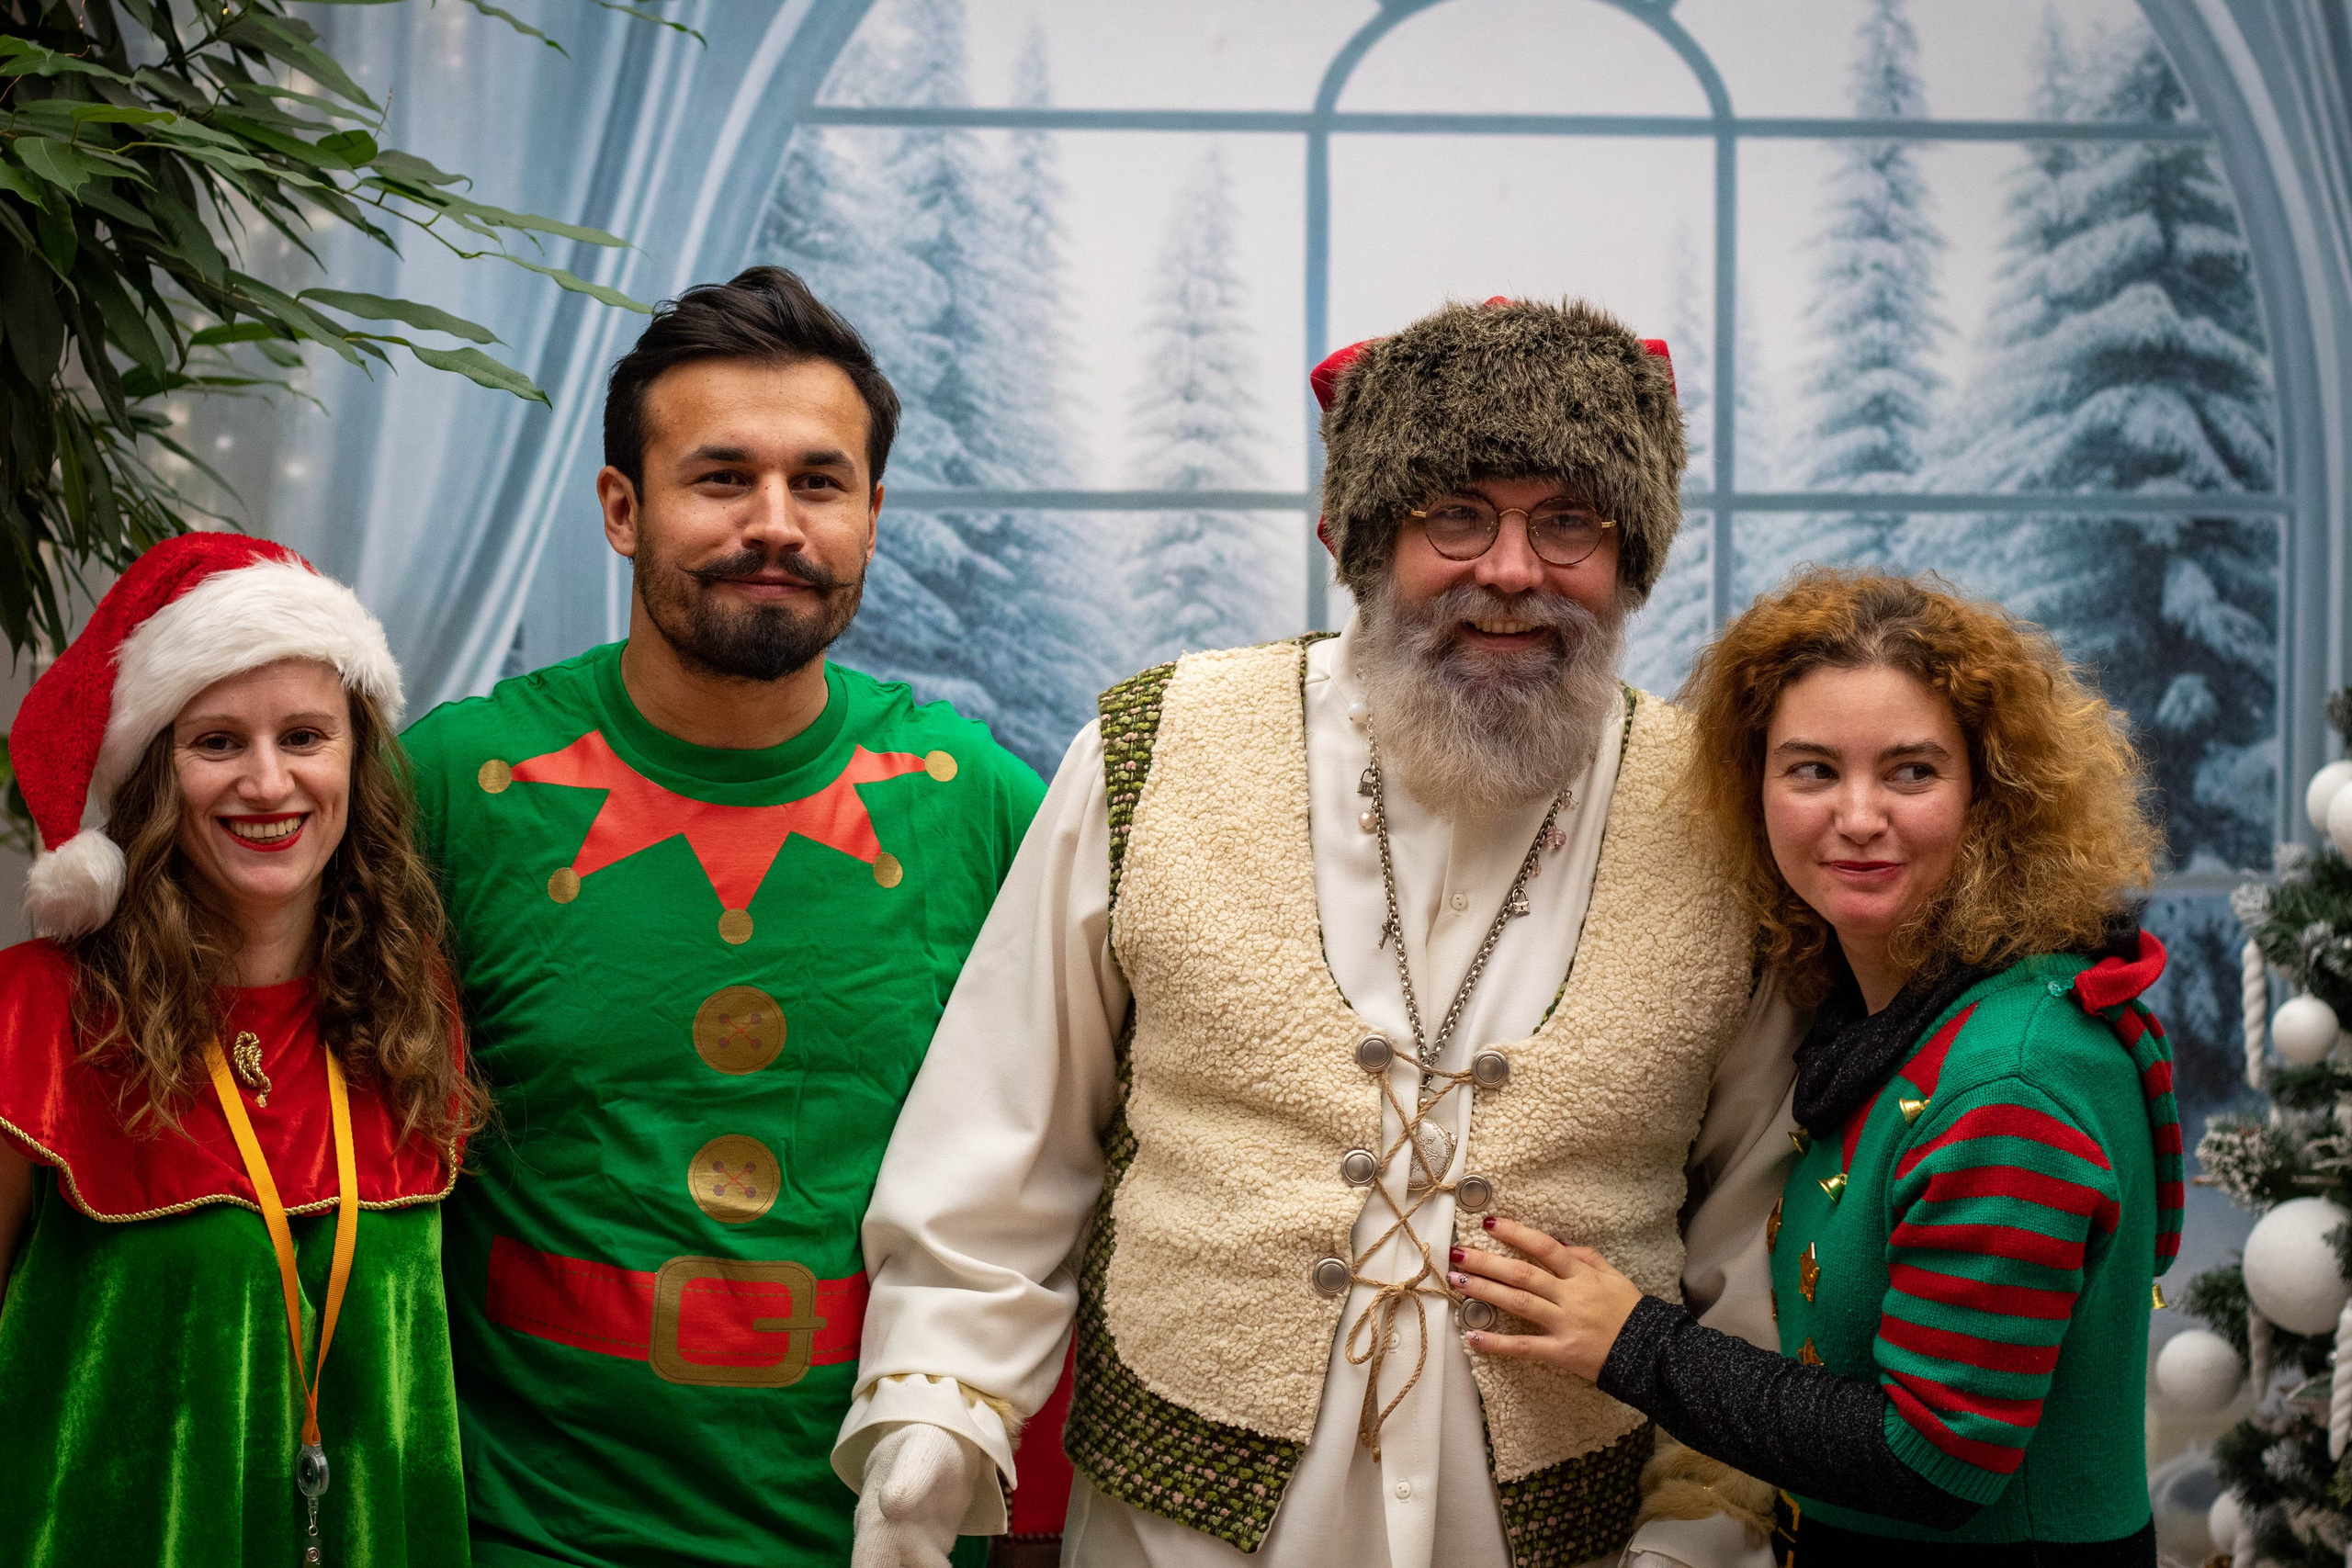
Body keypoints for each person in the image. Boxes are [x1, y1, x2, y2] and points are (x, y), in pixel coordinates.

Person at [835, 297, 1808, 1568]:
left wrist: (1704, 1521)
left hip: (1572, 1532)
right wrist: (935, 1411)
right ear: (1355, 538)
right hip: (1169, 1527)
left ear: (1631, 553)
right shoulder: (1155, 745)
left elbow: (1751, 1225)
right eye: (1452, 513)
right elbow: (1001, 1142)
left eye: (1568, 521)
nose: (1510, 569)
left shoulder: (1714, 808)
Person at [401, 266, 1045, 1568]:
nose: (775, 523)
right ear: (621, 509)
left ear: (872, 509)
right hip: (525, 1531)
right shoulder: (453, 783)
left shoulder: (977, 800)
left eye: (819, 481)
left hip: (884, 1537)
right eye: (720, 478)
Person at [1447, 568, 2181, 1565]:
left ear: (1993, 795)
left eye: (1912, 771)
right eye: (1812, 770)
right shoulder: (1896, 1018)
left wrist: (1632, 1342)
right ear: (1754, 791)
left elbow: (1932, 1462)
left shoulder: (2011, 1080)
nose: (1859, 815)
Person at [0, 533, 479, 1565]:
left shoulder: (409, 1009)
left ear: (355, 756)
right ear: (152, 778)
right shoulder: (34, 1022)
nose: (269, 783)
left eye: (305, 736)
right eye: (215, 742)